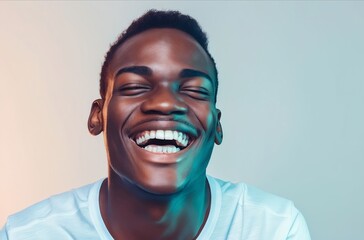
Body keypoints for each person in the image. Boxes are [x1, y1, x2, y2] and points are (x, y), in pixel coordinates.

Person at [0, 10, 311, 240]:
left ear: (216, 125)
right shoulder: (29, 234)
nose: (165, 103)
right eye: (135, 86)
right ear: (98, 116)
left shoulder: (274, 229)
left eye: (194, 90)